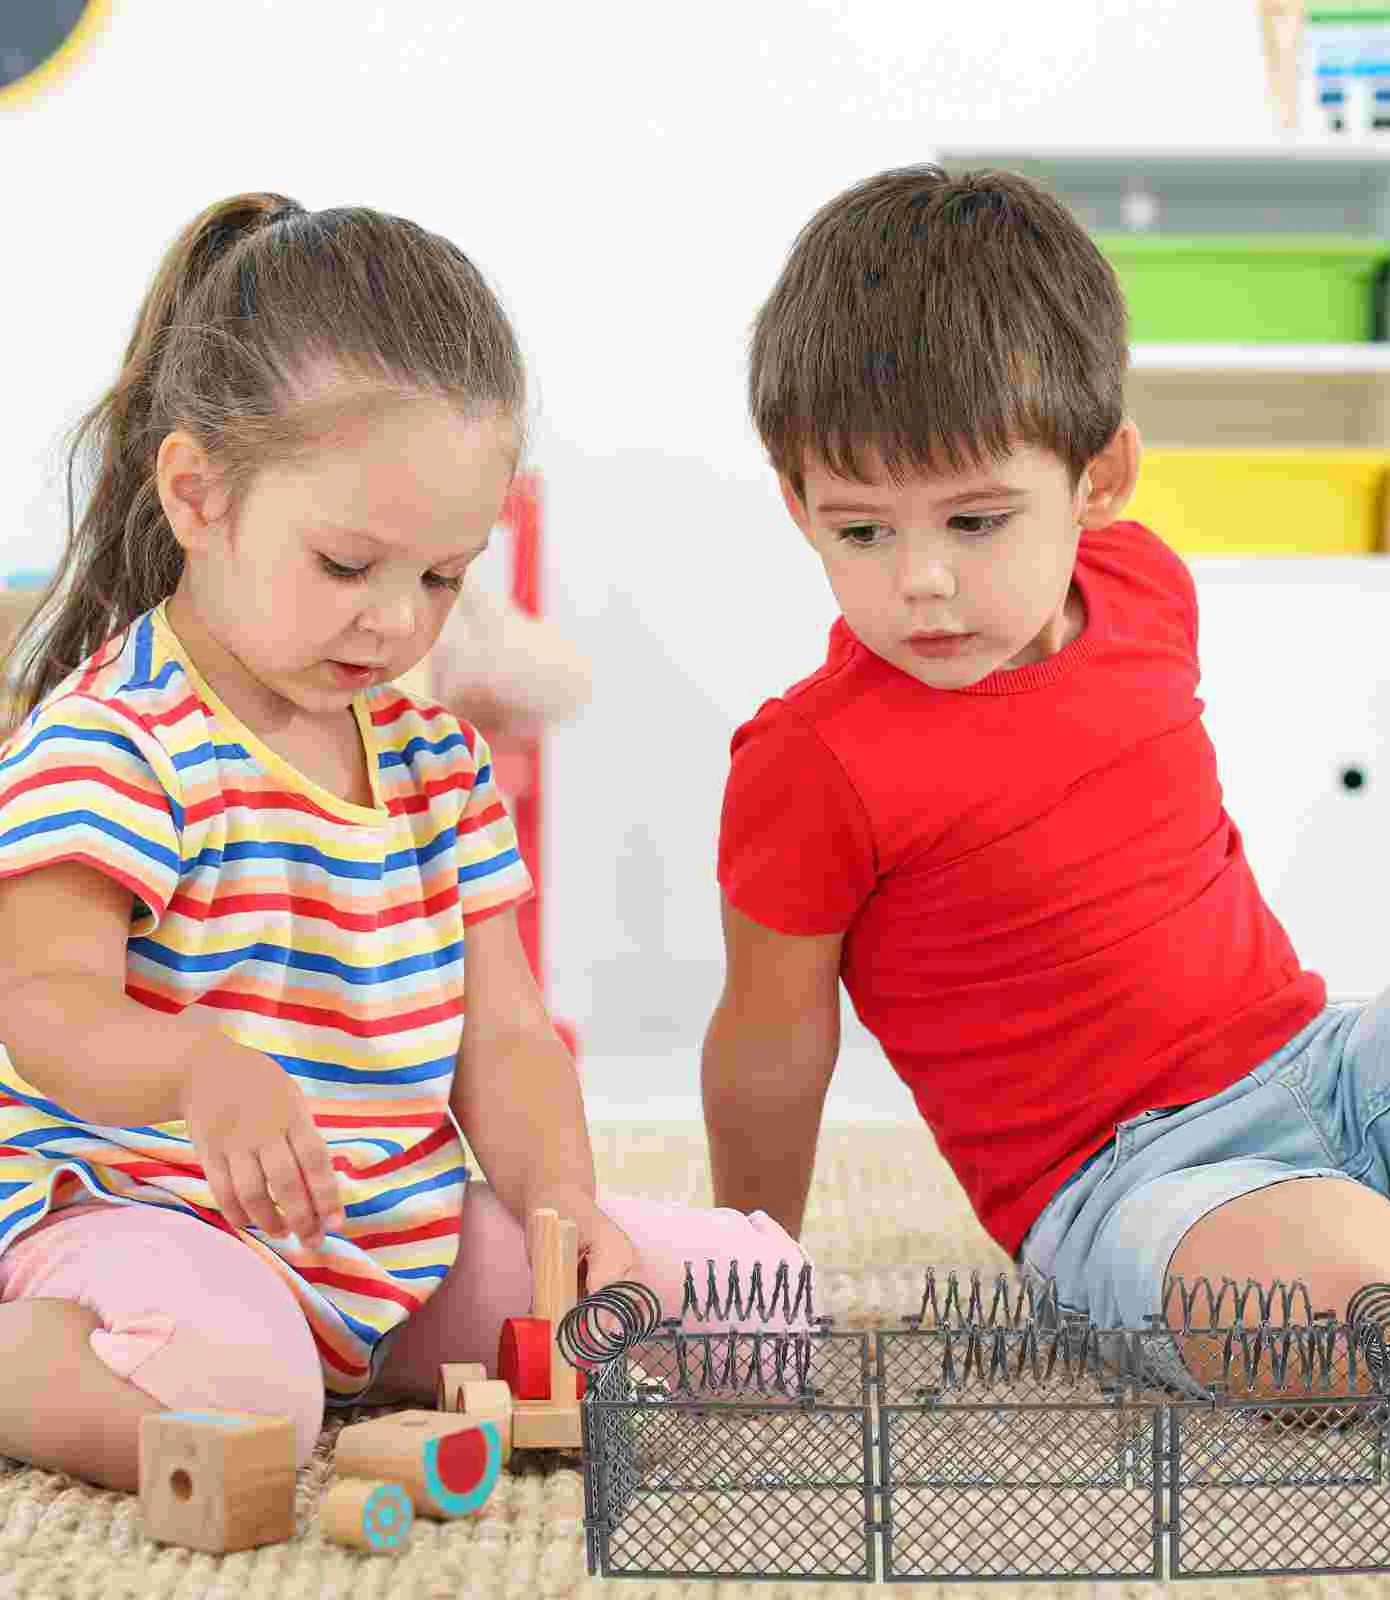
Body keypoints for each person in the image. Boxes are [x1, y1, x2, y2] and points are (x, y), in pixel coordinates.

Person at [704, 162, 1390, 1402]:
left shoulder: (1140, 588)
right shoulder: (811, 763)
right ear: (795, 499)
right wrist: (750, 1275)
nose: (919, 579)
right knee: (1357, 1307)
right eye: (863, 529)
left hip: (1339, 1075)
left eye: (974, 521)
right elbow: (770, 1039)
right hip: (1135, 1195)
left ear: (1099, 481)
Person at [0, 194, 808, 1493]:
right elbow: (41, 1006)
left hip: (385, 1240)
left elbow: (506, 1034)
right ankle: (29, 1354)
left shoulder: (433, 765)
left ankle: (347, 1352)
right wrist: (198, 1068)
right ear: (198, 496)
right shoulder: (113, 741)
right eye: (345, 563)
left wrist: (563, 1209)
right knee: (240, 1401)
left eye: (439, 579)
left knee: (756, 1311)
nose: (393, 622)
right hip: (143, 1221)